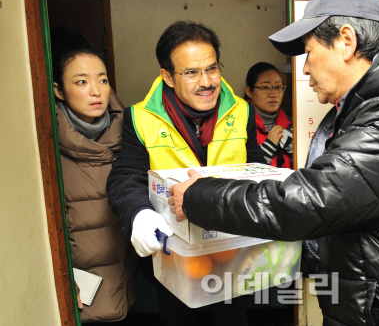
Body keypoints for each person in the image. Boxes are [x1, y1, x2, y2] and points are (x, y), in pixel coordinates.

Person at [167, 0, 379, 325]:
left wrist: (197, 197)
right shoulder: (371, 109)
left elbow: (310, 202)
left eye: (308, 52)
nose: (303, 69)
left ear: (346, 42)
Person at [106, 21, 265, 326]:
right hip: (174, 259)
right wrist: (138, 213)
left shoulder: (243, 111)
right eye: (191, 72)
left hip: (231, 252)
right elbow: (125, 176)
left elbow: (257, 169)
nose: (206, 82)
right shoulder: (140, 118)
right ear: (167, 76)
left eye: (212, 68)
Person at [51, 27, 136, 324]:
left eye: (102, 80)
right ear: (58, 90)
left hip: (126, 282)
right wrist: (60, 280)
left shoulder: (130, 130)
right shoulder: (47, 146)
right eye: (81, 82)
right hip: (80, 293)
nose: (96, 91)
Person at [245, 62, 293, 168]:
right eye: (265, 88)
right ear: (249, 91)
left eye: (278, 87)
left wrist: (296, 151)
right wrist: (269, 146)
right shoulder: (239, 125)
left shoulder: (293, 125)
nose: (274, 94)